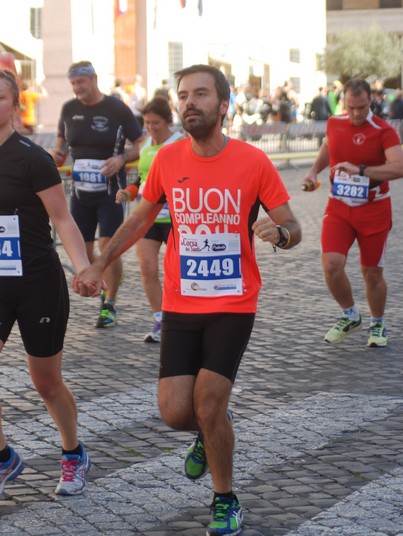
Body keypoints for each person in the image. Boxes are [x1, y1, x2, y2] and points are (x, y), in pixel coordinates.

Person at [72, 64, 301, 536]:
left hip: (233, 302)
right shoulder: (169, 160)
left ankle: (225, 499)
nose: (189, 102)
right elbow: (138, 221)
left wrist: (278, 233)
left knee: (208, 400)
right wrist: (99, 263)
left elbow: (293, 226)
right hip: (181, 302)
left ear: (224, 104)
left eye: (201, 94)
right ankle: (210, 426)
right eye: (183, 95)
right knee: (177, 411)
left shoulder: (254, 162)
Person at [0, 69, 93, 496]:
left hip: (37, 281)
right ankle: (4, 459)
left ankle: (73, 453)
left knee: (45, 382)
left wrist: (84, 268)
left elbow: (64, 220)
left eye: (0, 97)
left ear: (16, 107)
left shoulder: (31, 158)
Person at [303, 78, 403, 348]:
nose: (356, 114)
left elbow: (398, 168)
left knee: (371, 272)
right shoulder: (335, 123)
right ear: (344, 102)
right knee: (331, 265)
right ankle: (349, 314)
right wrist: (314, 171)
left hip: (374, 209)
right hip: (339, 207)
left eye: (361, 107)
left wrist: (361, 171)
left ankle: (378, 322)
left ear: (370, 101)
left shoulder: (383, 131)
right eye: (351, 107)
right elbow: (328, 146)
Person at [51, 61, 143, 328]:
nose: (78, 88)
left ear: (93, 79)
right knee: (84, 250)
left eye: (81, 82)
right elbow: (61, 147)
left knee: (108, 247)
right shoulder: (69, 109)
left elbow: (142, 145)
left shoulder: (116, 108)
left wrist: (122, 159)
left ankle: (109, 303)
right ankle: (104, 280)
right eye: (74, 84)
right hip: (81, 193)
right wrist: (54, 157)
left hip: (110, 191)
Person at [115, 97, 185, 343]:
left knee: (178, 272)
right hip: (148, 216)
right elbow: (142, 180)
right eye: (147, 122)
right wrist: (129, 193)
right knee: (147, 269)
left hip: (176, 217)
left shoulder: (181, 142)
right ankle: (161, 319)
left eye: (156, 123)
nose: (152, 127)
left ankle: (183, 318)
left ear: (168, 121)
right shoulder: (144, 145)